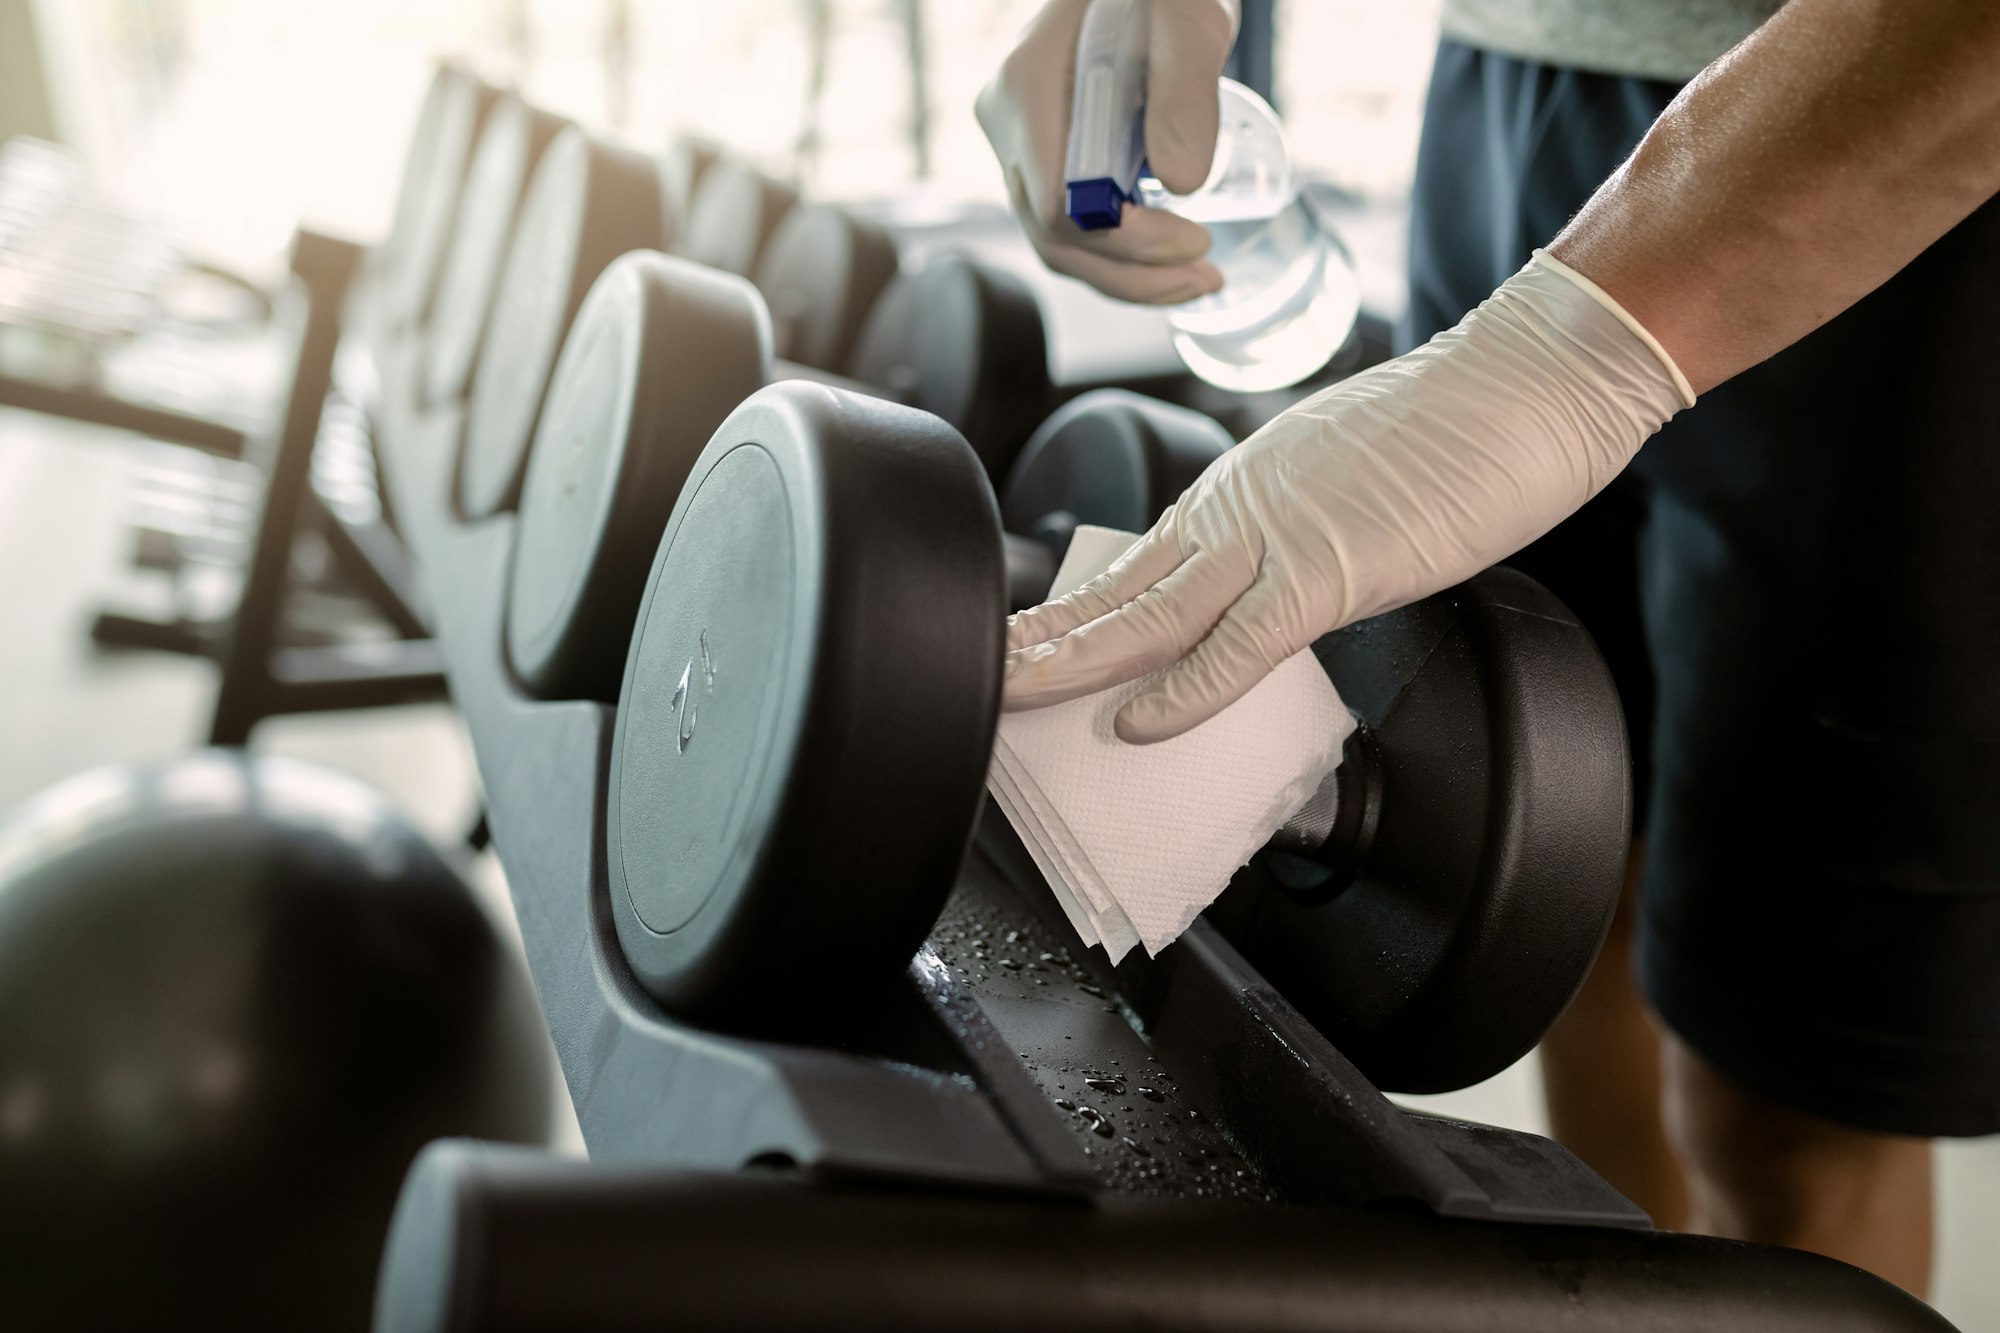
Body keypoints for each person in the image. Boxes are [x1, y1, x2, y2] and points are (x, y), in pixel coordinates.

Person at [979, 0, 2000, 1299]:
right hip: (1511, 87)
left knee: (1785, 1105)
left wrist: (1569, 356)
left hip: (1870, 123)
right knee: (1556, 875)